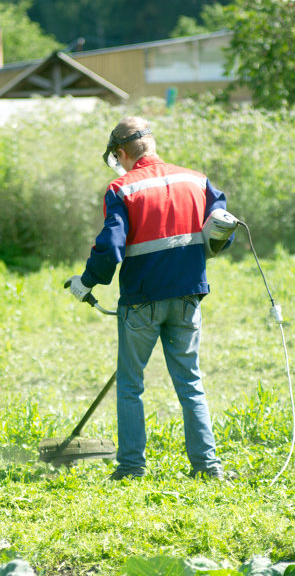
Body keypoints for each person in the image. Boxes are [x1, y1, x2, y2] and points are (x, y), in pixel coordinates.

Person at [67, 116, 233, 481]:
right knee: (190, 382)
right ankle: (207, 467)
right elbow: (223, 229)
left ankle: (130, 467)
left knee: (130, 385)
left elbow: (110, 248)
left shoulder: (122, 189)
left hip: (141, 301)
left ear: (122, 153)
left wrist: (87, 282)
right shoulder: (196, 180)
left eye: (118, 158)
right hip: (189, 296)